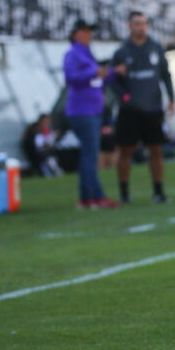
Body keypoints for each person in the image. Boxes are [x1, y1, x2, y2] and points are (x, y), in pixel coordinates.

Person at [111, 11, 175, 204]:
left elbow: (166, 75)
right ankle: (124, 194)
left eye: (144, 23)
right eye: (137, 23)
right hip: (130, 110)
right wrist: (124, 96)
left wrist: (171, 98)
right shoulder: (122, 51)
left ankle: (158, 191)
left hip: (153, 108)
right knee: (126, 151)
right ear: (130, 26)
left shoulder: (155, 48)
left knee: (156, 150)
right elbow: (112, 79)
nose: (141, 27)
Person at [63, 18, 119, 210]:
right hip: (82, 111)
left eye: (90, 31)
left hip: (93, 111)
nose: (89, 35)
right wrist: (95, 73)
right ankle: (93, 197)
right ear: (75, 34)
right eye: (85, 31)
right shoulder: (73, 54)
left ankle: (89, 197)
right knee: (90, 155)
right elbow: (71, 78)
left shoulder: (87, 54)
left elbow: (99, 79)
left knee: (89, 154)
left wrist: (112, 72)